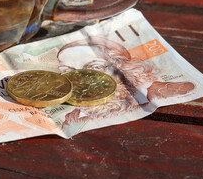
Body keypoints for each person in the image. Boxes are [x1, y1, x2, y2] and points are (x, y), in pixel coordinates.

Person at [57, 36, 195, 126]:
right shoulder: (71, 118)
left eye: (95, 67)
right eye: (68, 71)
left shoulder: (166, 93)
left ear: (123, 68)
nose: (81, 79)